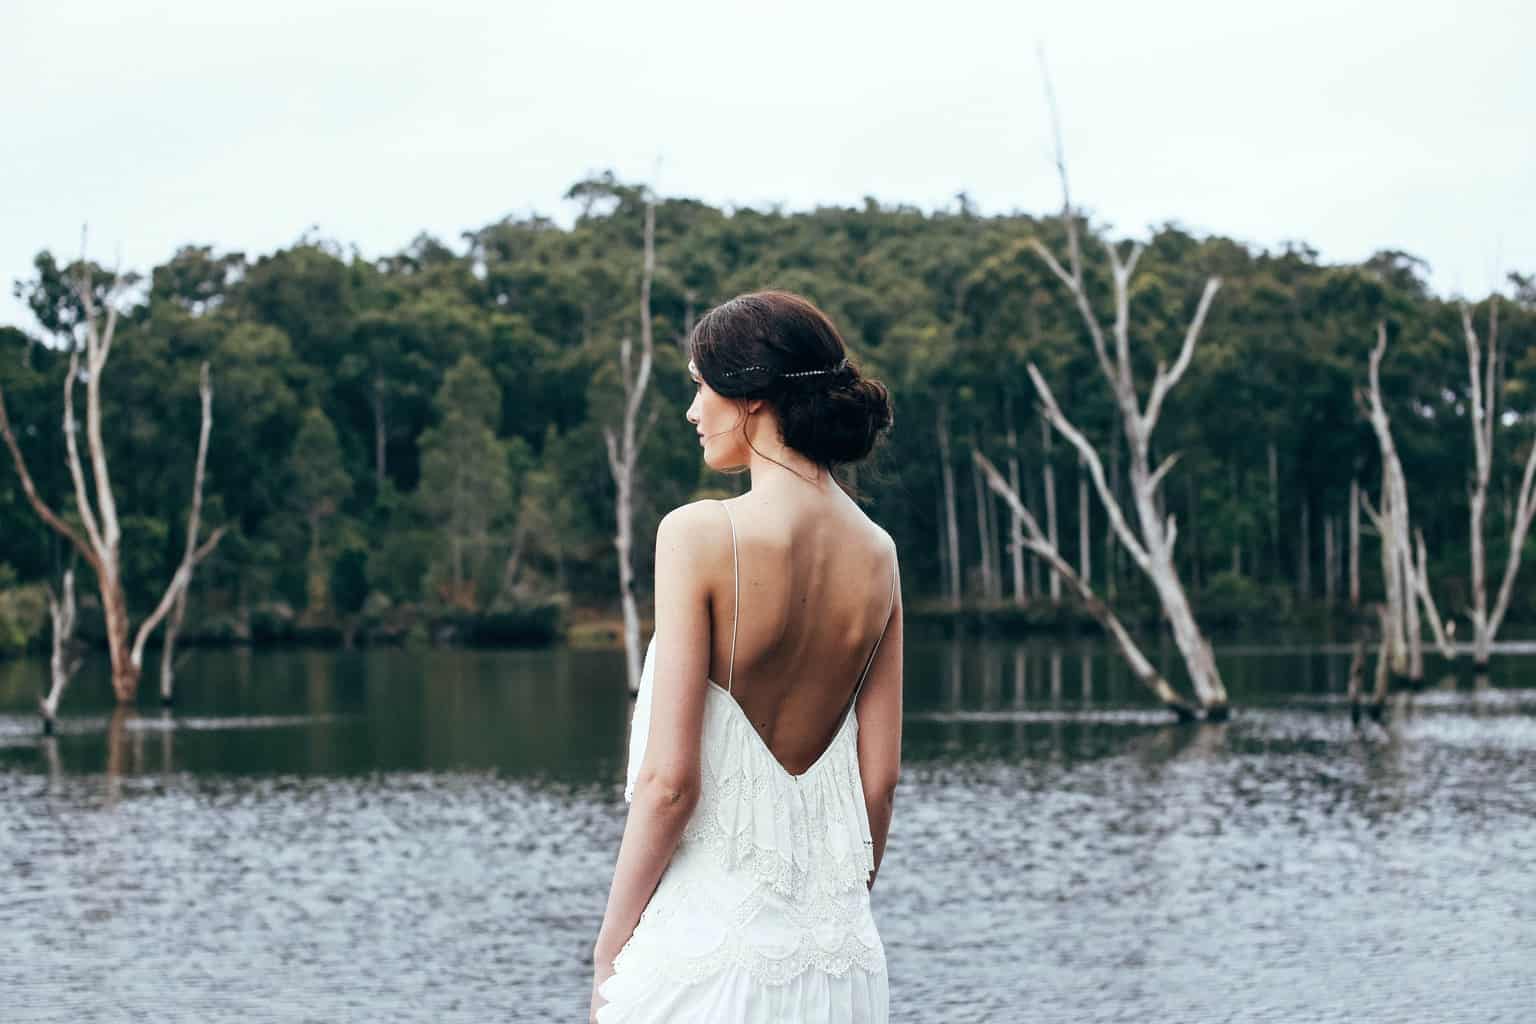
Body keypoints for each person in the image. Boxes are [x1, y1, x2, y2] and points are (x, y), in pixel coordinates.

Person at [590, 290, 902, 1023]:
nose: (693, 411)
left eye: (700, 386)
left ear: (753, 397)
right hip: (843, 965)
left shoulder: (698, 534)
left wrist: (612, 946)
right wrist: (831, 917)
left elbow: (670, 784)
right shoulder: (880, 555)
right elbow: (880, 781)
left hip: (705, 964)